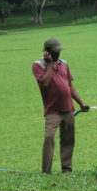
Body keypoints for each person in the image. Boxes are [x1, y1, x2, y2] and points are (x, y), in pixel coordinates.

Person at [32, 38, 90, 174]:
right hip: (52, 110)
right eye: (55, 52)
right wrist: (50, 64)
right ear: (47, 52)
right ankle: (46, 172)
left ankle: (67, 170)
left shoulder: (64, 63)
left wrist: (81, 103)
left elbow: (69, 85)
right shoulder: (38, 65)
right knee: (48, 137)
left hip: (68, 108)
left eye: (59, 51)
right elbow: (44, 83)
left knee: (68, 140)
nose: (58, 54)